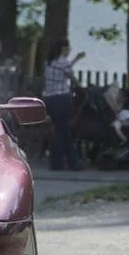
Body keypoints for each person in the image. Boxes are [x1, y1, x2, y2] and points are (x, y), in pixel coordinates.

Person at [42, 37, 85, 171]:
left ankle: (73, 162)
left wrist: (75, 60)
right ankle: (59, 163)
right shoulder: (63, 61)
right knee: (62, 132)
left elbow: (63, 70)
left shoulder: (48, 61)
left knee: (62, 130)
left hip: (50, 98)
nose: (69, 50)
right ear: (63, 49)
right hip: (62, 98)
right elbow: (71, 76)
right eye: (68, 48)